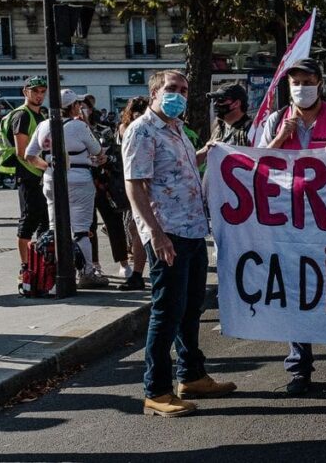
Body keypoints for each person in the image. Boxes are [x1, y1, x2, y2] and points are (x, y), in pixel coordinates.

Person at [123, 69, 236, 417]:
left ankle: (191, 375)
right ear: (155, 92)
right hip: (167, 233)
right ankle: (156, 391)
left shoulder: (175, 130)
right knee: (166, 312)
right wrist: (155, 233)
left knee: (190, 308)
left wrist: (206, 152)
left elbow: (182, 170)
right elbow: (135, 185)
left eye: (184, 90)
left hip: (191, 229)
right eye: (172, 88)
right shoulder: (142, 131)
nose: (179, 95)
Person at [256, 58, 326, 396]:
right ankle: (300, 369)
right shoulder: (276, 121)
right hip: (289, 225)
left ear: (320, 83)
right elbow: (254, 164)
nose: (300, 88)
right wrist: (278, 140)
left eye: (307, 81)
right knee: (296, 294)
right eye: (294, 82)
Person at [24, 89, 108, 288]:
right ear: (73, 106)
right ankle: (86, 272)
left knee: (55, 227)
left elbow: (29, 155)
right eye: (77, 104)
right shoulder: (78, 126)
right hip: (79, 179)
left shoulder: (44, 124)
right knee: (81, 230)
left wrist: (49, 167)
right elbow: (97, 150)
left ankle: (55, 271)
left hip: (51, 179)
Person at [0, 77, 50, 272]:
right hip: (28, 175)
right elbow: (22, 152)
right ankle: (26, 268)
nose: (39, 95)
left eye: (42, 91)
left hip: (38, 174)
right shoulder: (23, 115)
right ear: (25, 92)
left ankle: (42, 266)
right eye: (35, 91)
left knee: (44, 220)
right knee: (29, 220)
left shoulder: (40, 115)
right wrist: (47, 167)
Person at [81, 95, 131, 280]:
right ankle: (94, 263)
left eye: (84, 106)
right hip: (82, 183)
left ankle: (123, 261)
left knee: (114, 223)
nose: (81, 110)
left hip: (104, 183)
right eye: (77, 106)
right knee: (88, 225)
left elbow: (116, 155)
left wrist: (107, 159)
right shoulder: (69, 129)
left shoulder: (103, 130)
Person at [117, 96, 149, 291]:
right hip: (137, 182)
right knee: (136, 227)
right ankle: (137, 272)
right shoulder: (136, 128)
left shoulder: (124, 127)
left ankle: (137, 272)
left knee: (135, 227)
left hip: (131, 181)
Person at [199, 84, 252, 158]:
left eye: (221, 100)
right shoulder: (218, 126)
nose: (215, 103)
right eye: (215, 100)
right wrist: (205, 149)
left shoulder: (251, 129)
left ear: (236, 103)